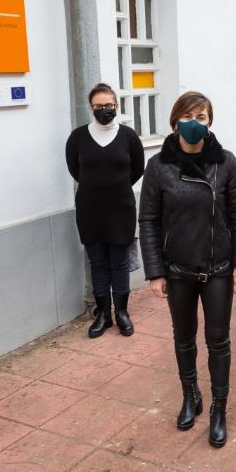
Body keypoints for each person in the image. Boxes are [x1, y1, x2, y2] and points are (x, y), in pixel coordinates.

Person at [140, 91, 236, 448]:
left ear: (210, 122)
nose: (194, 123)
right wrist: (156, 270)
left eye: (201, 117)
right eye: (188, 116)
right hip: (177, 269)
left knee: (218, 341)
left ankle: (219, 408)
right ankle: (191, 396)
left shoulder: (227, 163)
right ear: (175, 121)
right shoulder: (158, 166)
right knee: (183, 336)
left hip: (218, 268)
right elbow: (148, 221)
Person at [65, 83, 145, 338]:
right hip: (89, 210)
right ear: (91, 107)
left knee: (119, 262)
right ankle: (103, 314)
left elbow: (137, 168)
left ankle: (122, 312)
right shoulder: (77, 137)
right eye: (98, 106)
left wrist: (115, 188)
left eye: (109, 106)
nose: (104, 110)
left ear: (117, 106)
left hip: (121, 209)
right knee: (97, 263)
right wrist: (97, 188)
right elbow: (74, 170)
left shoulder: (129, 136)